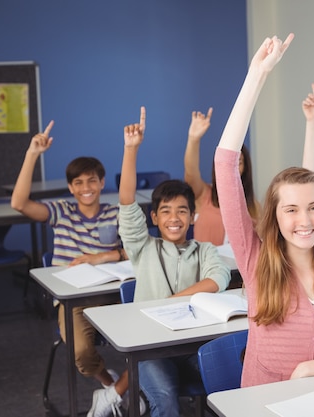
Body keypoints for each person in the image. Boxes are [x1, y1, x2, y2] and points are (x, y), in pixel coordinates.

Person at [213, 33, 314, 387]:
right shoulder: (256, 259)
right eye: (291, 210)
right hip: (263, 404)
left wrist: (309, 370)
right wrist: (257, 75)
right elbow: (225, 165)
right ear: (275, 215)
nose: (305, 221)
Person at [86, 107, 231, 417]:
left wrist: (168, 303)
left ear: (193, 216)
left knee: (233, 380)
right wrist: (131, 149)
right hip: (151, 349)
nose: (174, 218)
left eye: (182, 211)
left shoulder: (204, 250)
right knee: (165, 397)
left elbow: (217, 280)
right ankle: (126, 392)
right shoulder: (143, 247)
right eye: (165, 211)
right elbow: (126, 201)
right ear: (154, 217)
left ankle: (117, 392)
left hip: (194, 345)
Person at [11, 121, 124, 395]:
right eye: (79, 183)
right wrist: (32, 154)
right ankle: (113, 387)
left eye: (92, 181)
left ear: (102, 182)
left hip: (113, 292)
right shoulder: (61, 211)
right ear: (71, 188)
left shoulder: (114, 212)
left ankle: (126, 390)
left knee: (148, 337)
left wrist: (101, 256)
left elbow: (135, 250)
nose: (86, 188)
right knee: (82, 354)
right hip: (74, 298)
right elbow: (19, 204)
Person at [183, 107, 260, 245]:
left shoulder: (253, 205)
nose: (233, 167)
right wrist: (193, 139)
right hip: (207, 265)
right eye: (229, 163)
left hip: (237, 266)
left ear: (245, 167)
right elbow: (191, 172)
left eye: (239, 162)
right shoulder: (204, 195)